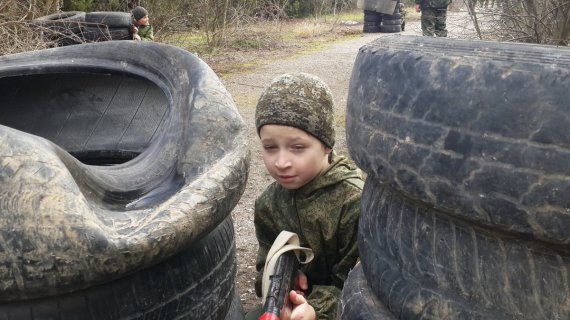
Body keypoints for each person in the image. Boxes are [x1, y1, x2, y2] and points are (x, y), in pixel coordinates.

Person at [245, 73, 364, 320]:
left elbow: (358, 284)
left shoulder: (353, 201)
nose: (281, 162)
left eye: (297, 147)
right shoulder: (268, 204)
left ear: (327, 144)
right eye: (270, 147)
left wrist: (316, 309)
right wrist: (281, 286)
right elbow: (263, 266)